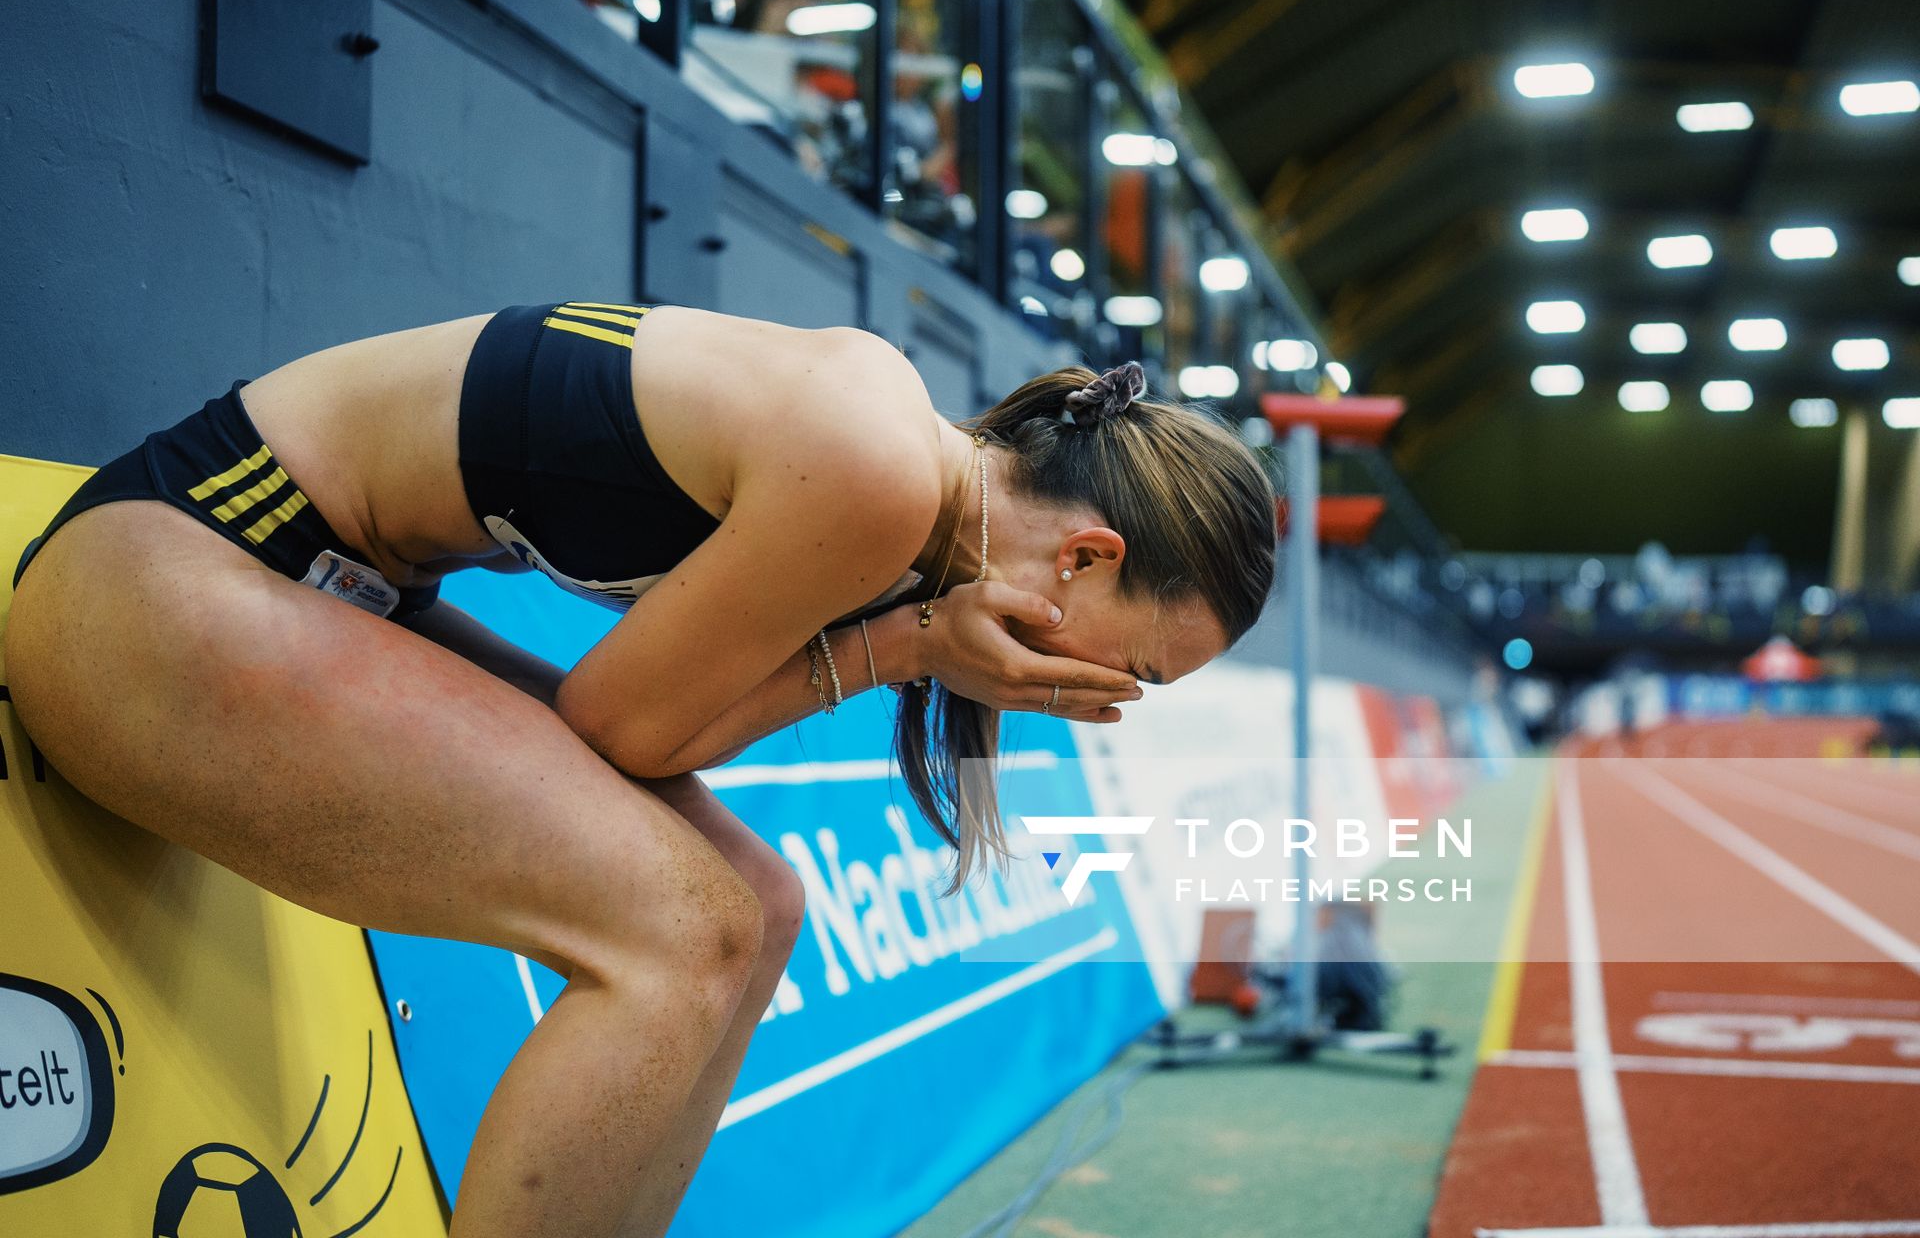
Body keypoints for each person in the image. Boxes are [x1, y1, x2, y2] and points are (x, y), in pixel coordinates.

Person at [4, 299, 1276, 1236]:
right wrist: (915, 643)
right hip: (157, 581)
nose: (1113, 698)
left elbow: (616, 721)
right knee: (681, 928)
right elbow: (619, 728)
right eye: (1144, 670)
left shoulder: (910, 496)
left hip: (313, 594)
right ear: (1089, 557)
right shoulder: (880, 467)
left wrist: (918, 632)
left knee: (759, 908)